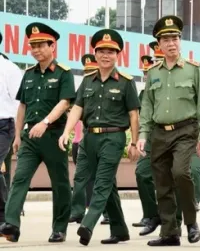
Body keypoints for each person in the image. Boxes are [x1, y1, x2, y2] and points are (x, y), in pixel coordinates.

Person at [58, 29, 140, 245]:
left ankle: (88, 223)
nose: (106, 55)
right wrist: (66, 131)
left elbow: (134, 114)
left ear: (118, 54)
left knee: (102, 183)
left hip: (113, 139)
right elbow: (77, 108)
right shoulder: (87, 81)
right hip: (88, 139)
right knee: (82, 178)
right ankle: (120, 230)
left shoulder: (125, 81)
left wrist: (133, 142)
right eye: (101, 51)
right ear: (95, 53)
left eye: (111, 51)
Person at [137, 15, 200, 246]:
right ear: (159, 44)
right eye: (166, 39)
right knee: (162, 182)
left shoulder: (194, 69)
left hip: (185, 131)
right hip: (160, 133)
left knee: (181, 173)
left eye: (175, 38)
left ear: (180, 41)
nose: (171, 43)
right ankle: (169, 233)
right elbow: (148, 105)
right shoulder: (154, 72)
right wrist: (142, 135)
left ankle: (191, 223)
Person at [0, 22, 75, 243]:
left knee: (60, 183)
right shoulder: (29, 74)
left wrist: (45, 121)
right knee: (20, 178)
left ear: (53, 46)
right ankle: (11, 224)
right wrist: (16, 136)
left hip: (53, 136)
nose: (36, 50)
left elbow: (65, 102)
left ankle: (59, 228)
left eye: (41, 45)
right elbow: (22, 105)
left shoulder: (64, 73)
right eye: (32, 46)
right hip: (30, 138)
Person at [69, 54, 111, 225]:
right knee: (80, 177)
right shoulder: (84, 87)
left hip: (103, 139)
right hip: (81, 140)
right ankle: (78, 211)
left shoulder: (108, 87)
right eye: (86, 71)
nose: (89, 74)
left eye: (91, 70)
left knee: (104, 179)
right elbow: (74, 109)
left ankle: (108, 213)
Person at [133, 55, 160, 232]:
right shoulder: (143, 93)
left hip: (173, 136)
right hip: (149, 138)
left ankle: (174, 219)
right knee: (142, 173)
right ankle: (150, 215)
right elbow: (139, 116)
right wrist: (136, 140)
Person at [0, 31, 21, 224]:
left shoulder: (9, 69)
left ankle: (4, 216)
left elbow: (19, 104)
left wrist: (18, 134)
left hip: (4, 126)